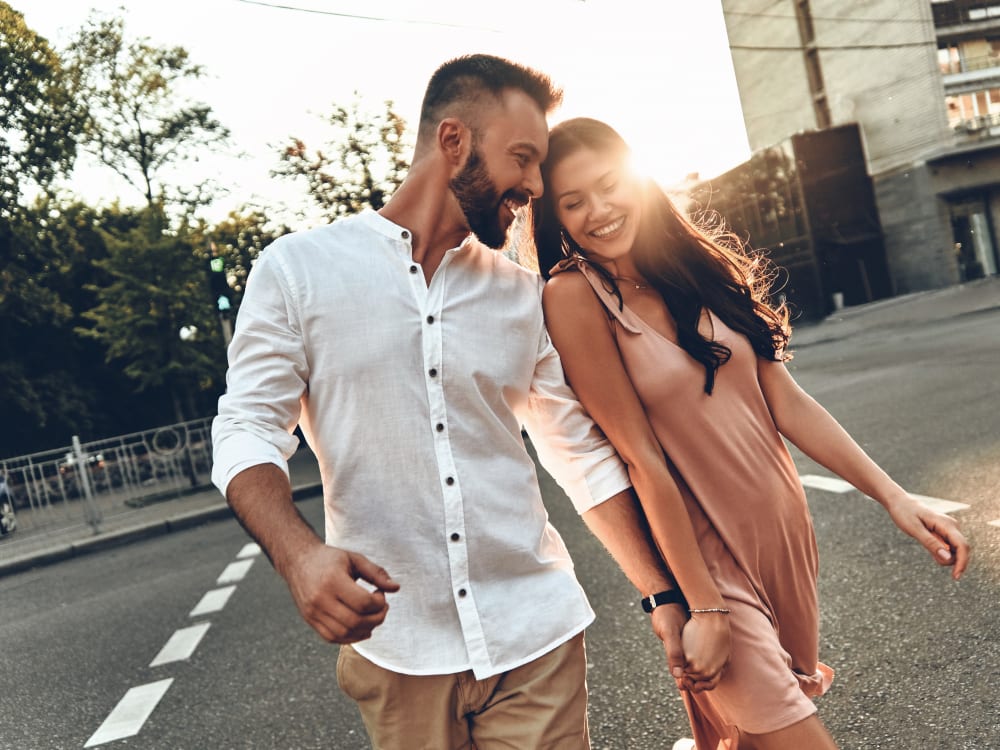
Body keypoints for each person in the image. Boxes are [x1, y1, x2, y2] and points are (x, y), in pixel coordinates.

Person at [212, 56, 707, 749]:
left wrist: (663, 594)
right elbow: (246, 428)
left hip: (535, 633)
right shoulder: (298, 271)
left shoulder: (520, 293)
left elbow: (580, 456)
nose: (536, 185)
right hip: (399, 651)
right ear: (454, 144)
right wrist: (299, 557)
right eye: (523, 159)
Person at [530, 117, 971, 750]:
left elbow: (787, 403)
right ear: (557, 219)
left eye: (608, 185)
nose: (598, 210)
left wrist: (896, 497)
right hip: (706, 557)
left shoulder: (694, 270)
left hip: (782, 539)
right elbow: (640, 459)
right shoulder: (574, 297)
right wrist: (699, 604)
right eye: (573, 202)